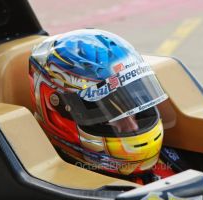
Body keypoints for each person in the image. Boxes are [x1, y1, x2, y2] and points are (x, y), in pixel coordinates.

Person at [28, 29, 178, 184]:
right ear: (53, 109)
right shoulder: (54, 184)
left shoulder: (171, 162)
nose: (132, 126)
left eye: (134, 107)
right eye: (109, 117)